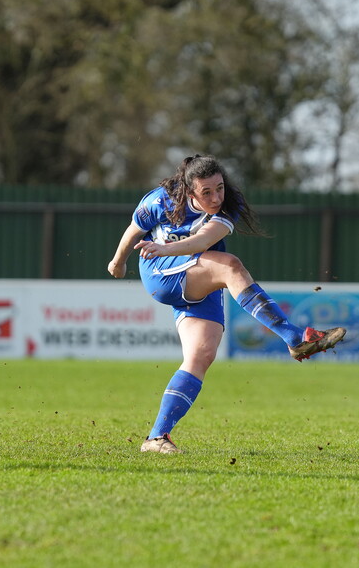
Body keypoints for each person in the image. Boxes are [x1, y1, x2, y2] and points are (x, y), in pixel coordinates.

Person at [107, 154, 346, 454]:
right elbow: (135, 228)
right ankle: (293, 336)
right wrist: (118, 262)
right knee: (230, 266)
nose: (216, 197)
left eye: (219, 188)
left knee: (201, 356)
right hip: (160, 271)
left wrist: (165, 246)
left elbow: (201, 242)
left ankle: (156, 437)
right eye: (206, 192)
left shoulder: (230, 204)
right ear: (189, 191)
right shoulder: (161, 200)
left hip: (196, 268)